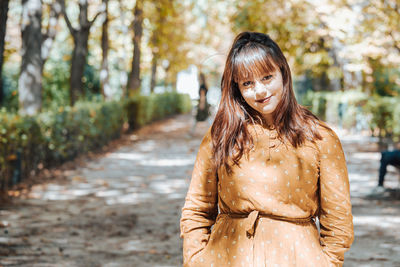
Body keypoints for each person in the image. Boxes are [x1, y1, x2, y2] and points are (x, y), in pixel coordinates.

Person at [180, 32, 354, 267]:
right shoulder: (221, 135)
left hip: (298, 259)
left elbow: (338, 220)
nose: (259, 91)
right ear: (237, 88)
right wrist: (196, 260)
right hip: (226, 258)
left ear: (283, 72)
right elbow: (196, 209)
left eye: (267, 77)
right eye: (247, 83)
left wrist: (327, 262)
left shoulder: (320, 138)